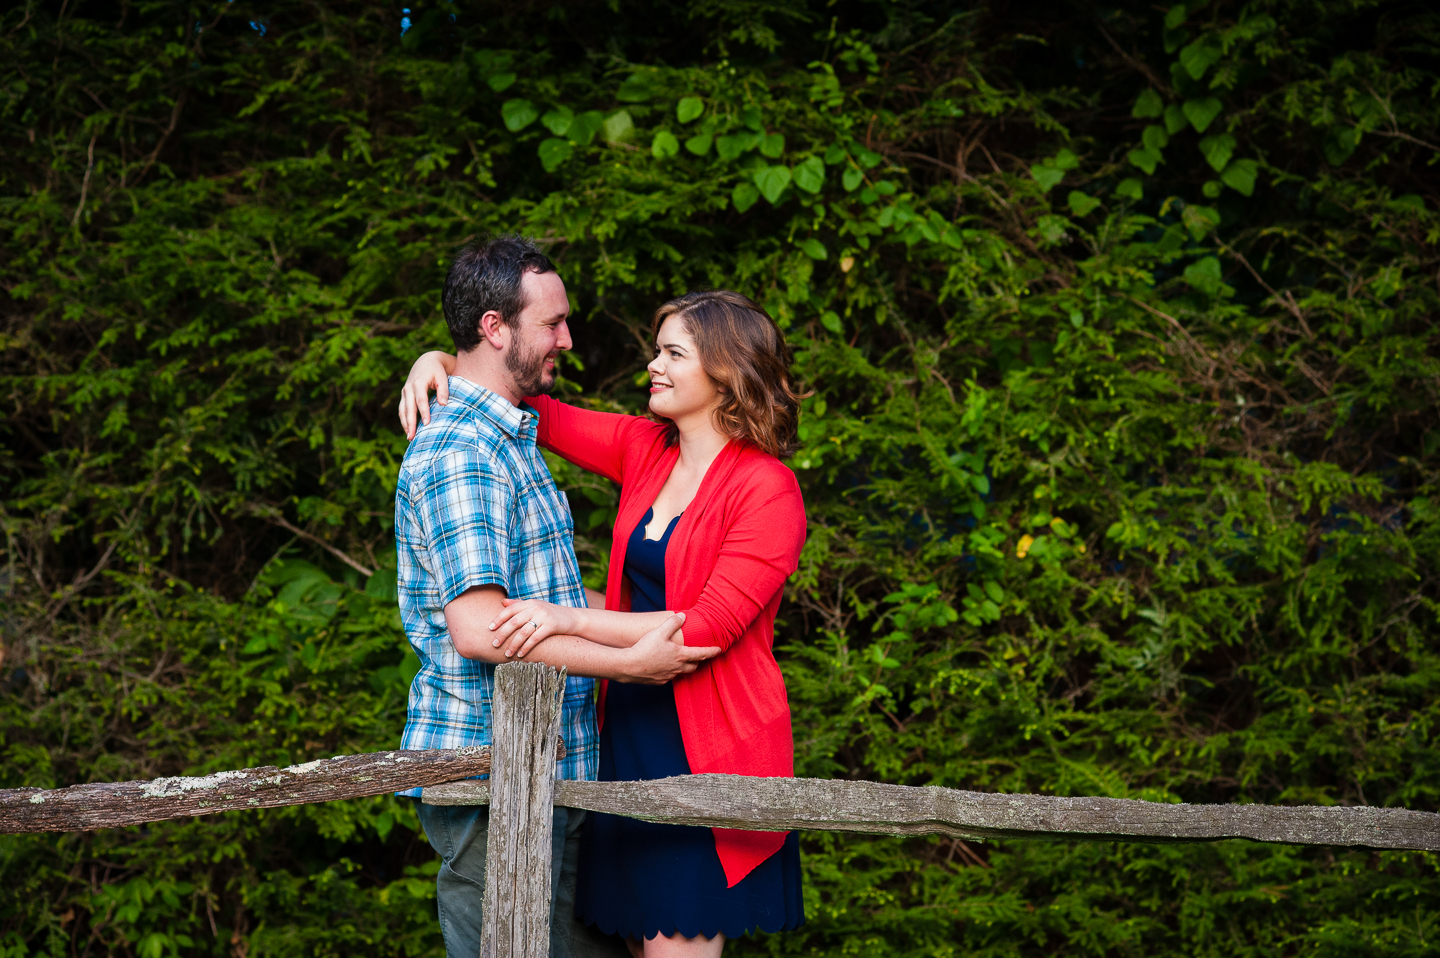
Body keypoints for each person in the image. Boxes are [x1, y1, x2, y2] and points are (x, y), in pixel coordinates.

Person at [399, 288, 808, 957]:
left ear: (726, 374)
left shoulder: (767, 489)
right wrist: (436, 359)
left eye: (673, 353)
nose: (654, 365)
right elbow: (523, 398)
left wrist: (564, 617)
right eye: (657, 349)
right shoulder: (646, 449)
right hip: (621, 742)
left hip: (705, 745)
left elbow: (702, 632)